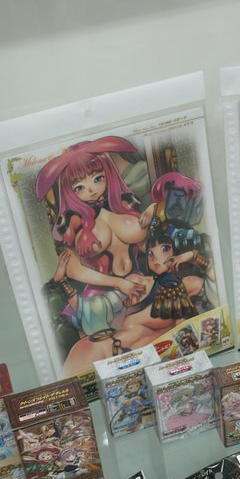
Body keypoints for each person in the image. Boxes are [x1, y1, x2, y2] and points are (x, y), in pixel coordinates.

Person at [35, 138, 211, 372]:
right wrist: (119, 283)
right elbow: (74, 269)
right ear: (69, 191)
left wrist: (155, 209)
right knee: (116, 344)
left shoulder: (125, 205)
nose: (92, 189)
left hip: (140, 288)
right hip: (103, 300)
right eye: (79, 186)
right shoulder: (73, 223)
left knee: (174, 311)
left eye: (98, 178)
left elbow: (153, 242)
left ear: (108, 173)